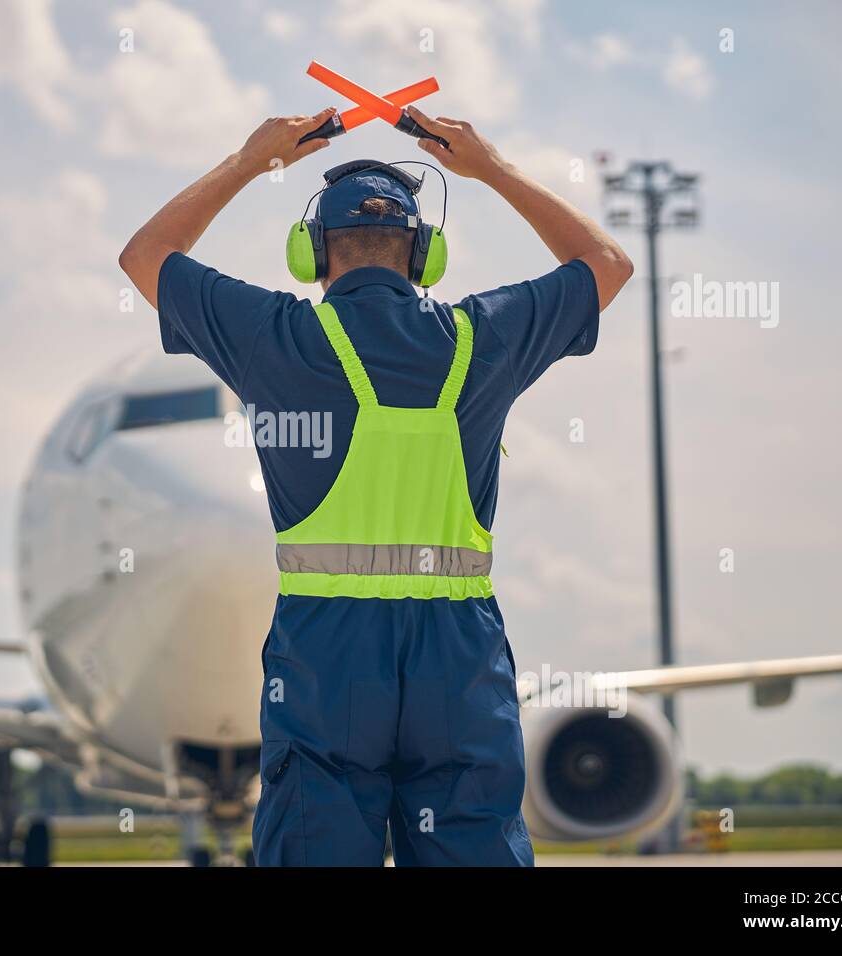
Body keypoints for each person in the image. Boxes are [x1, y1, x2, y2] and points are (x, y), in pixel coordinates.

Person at [119, 105, 632, 866]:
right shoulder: (478, 339)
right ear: (424, 254)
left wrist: (249, 160)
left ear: (310, 254)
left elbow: (145, 254)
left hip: (326, 659)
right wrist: (490, 168)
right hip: (457, 656)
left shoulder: (274, 337)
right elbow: (607, 262)